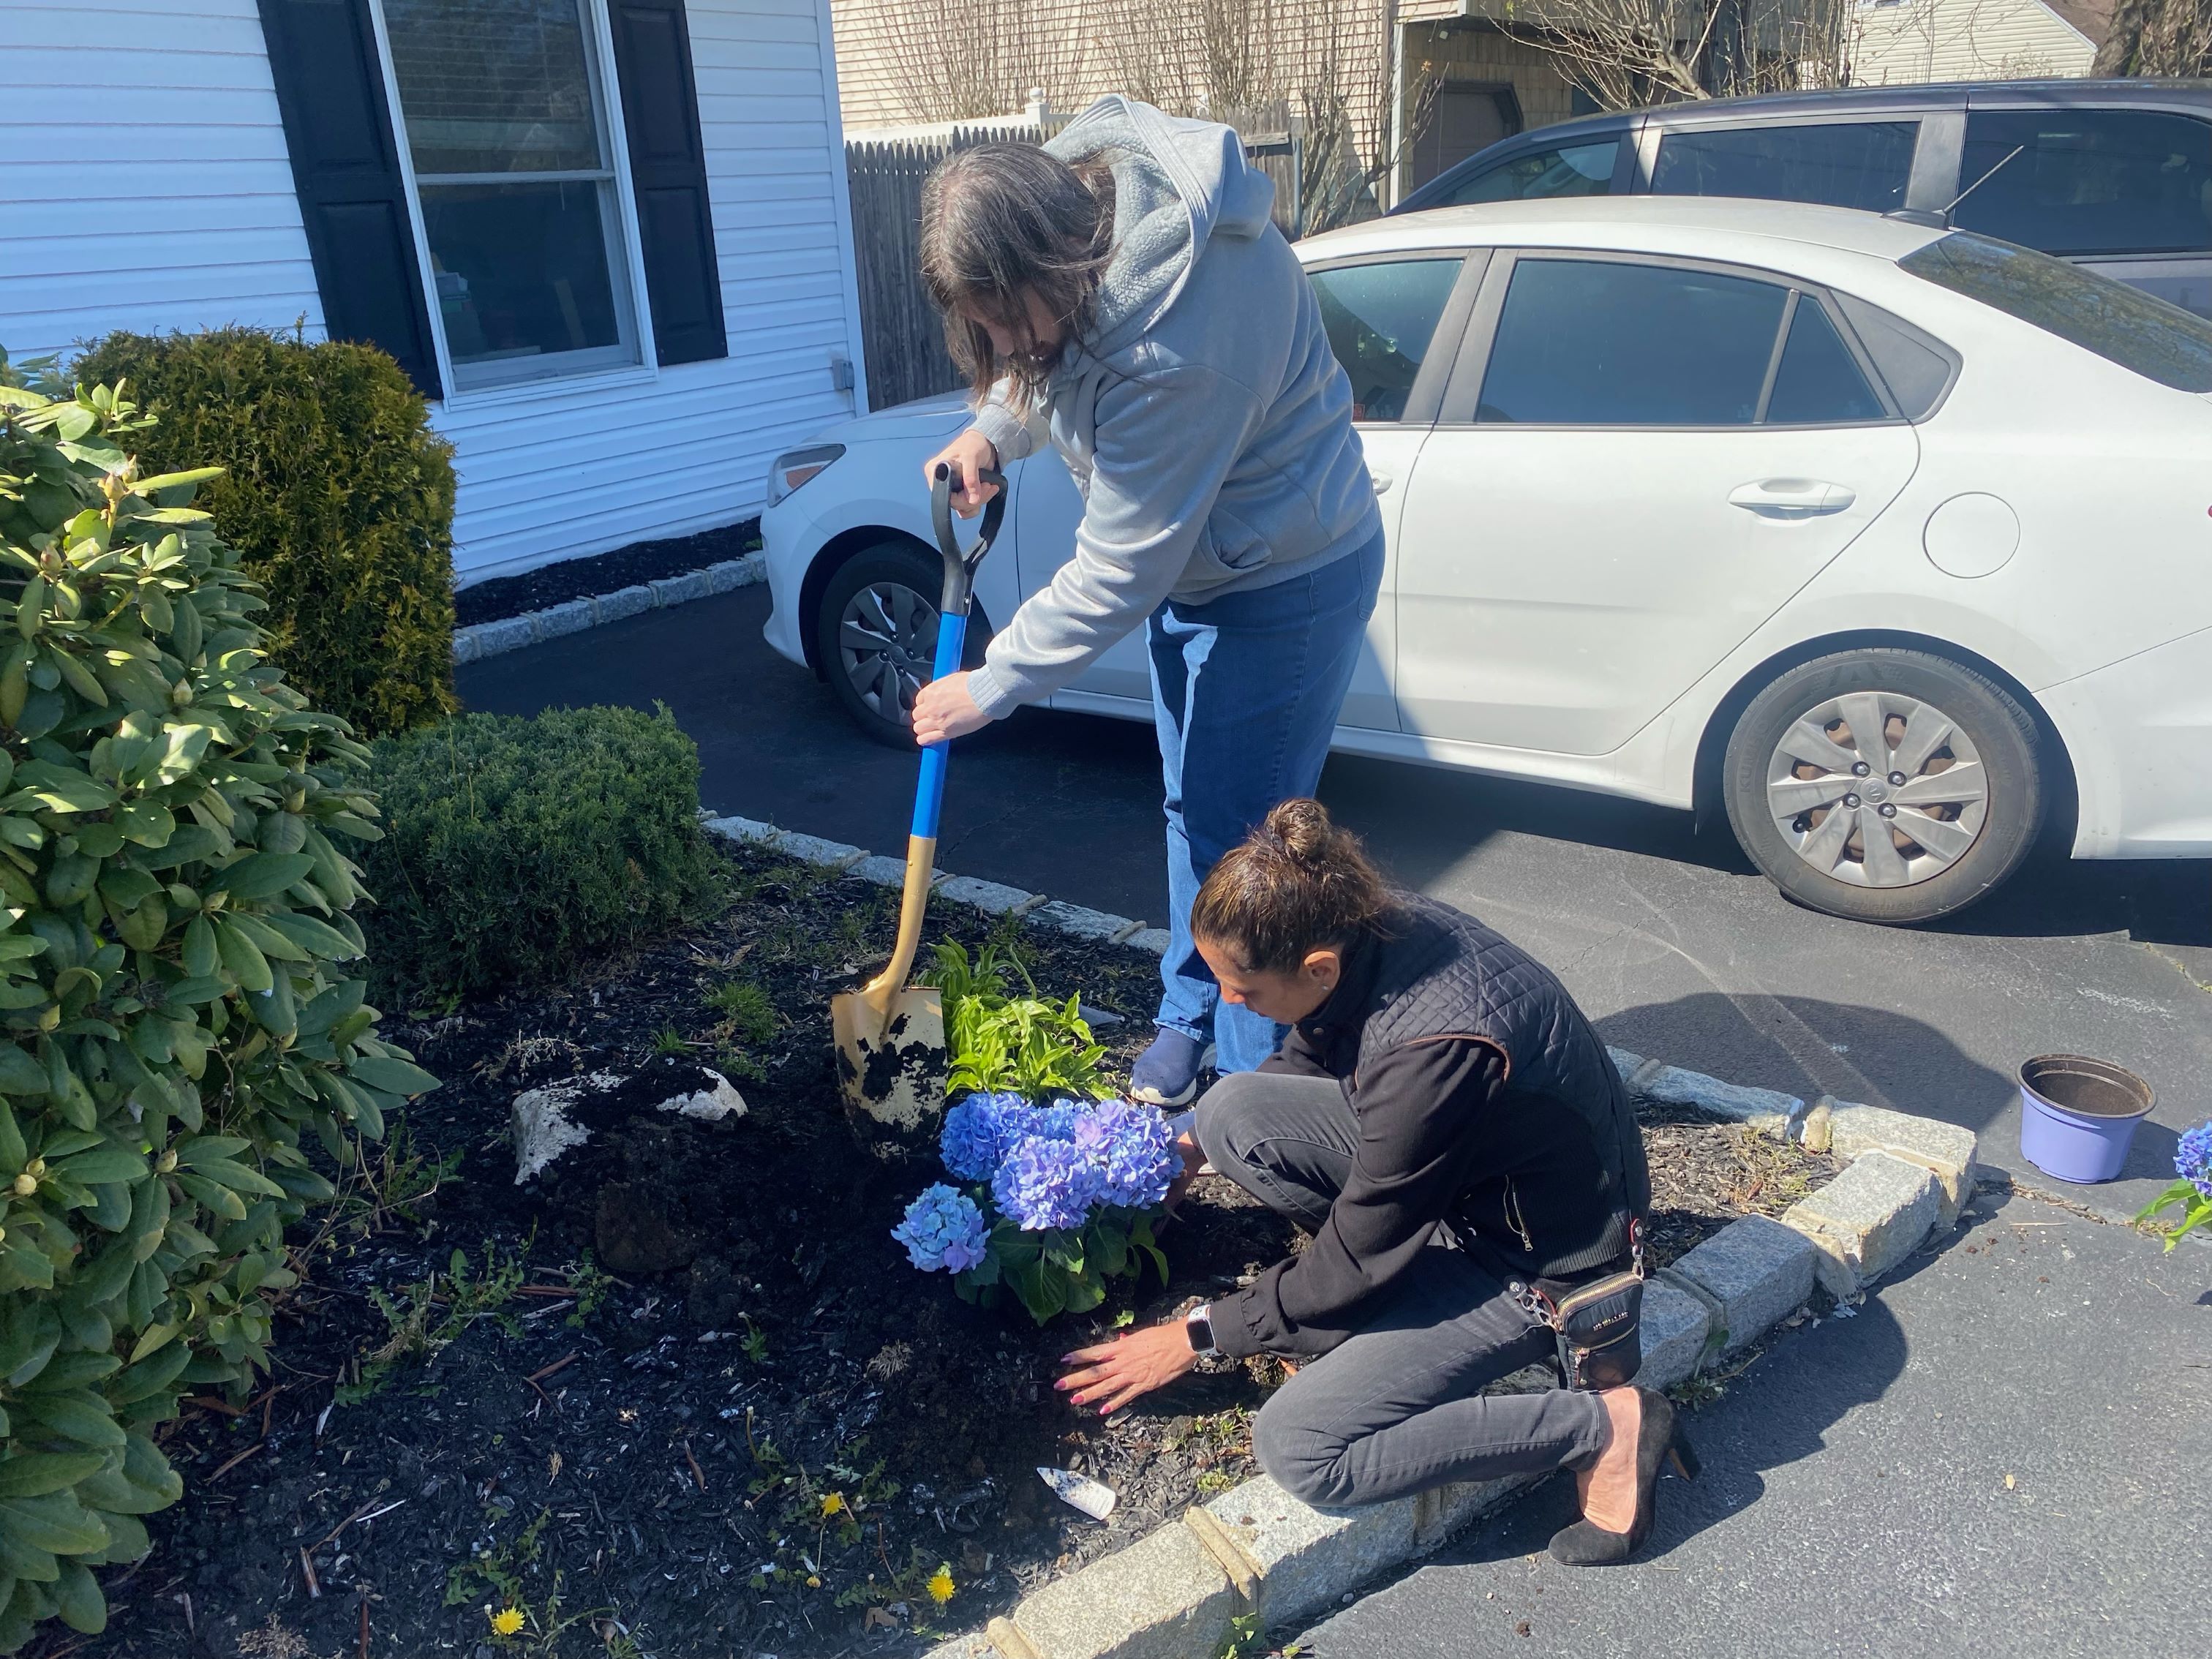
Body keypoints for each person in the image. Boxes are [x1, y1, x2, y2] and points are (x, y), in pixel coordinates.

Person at [1056, 800, 1698, 1564]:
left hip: (1539, 1265)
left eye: (1244, 989)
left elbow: (1361, 1253)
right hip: (1470, 1195)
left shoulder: (1437, 1048)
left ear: (1316, 967)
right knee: (1228, 1108)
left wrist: (1198, 1335)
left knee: (1303, 1448)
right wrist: (1192, 1148)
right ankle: (1385, 1317)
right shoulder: (1366, 921)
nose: (1227, 1000)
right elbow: (1308, 1051)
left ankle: (1608, 1427)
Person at [911, 96, 1385, 1108]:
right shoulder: (1085, 220)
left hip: (1282, 579)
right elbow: (1051, 363)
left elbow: (1124, 566)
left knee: (1249, 846)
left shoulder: (1181, 342)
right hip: (1209, 564)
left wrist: (992, 684)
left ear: (1055, 267)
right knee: (1191, 809)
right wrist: (995, 427)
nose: (1002, 344)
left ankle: (1263, 1088)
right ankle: (1192, 1014)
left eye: (1005, 321)